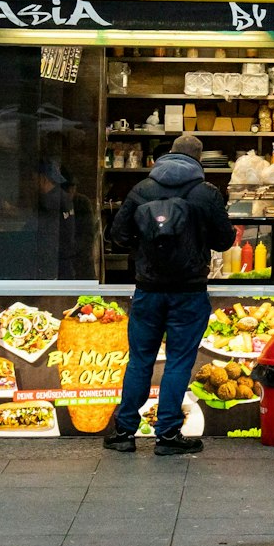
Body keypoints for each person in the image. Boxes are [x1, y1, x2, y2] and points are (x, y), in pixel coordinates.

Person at [103, 132, 233, 455]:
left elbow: (117, 234)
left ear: (168, 156)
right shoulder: (206, 194)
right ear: (199, 161)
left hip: (148, 291)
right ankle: (168, 434)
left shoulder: (141, 190)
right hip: (189, 293)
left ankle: (124, 432)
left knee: (140, 360)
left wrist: (145, 251)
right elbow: (225, 240)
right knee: (178, 362)